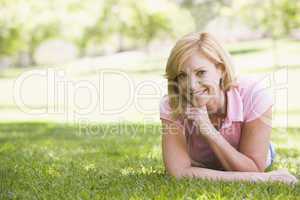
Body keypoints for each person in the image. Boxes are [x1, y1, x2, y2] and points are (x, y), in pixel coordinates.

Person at [160, 32, 298, 184]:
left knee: (261, 152)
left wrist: (209, 131)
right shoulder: (172, 105)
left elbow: (254, 168)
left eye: (201, 72)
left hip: (244, 153)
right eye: (182, 75)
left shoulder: (254, 95)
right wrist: (264, 179)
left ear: (221, 69)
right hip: (210, 160)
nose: (192, 86)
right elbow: (178, 173)